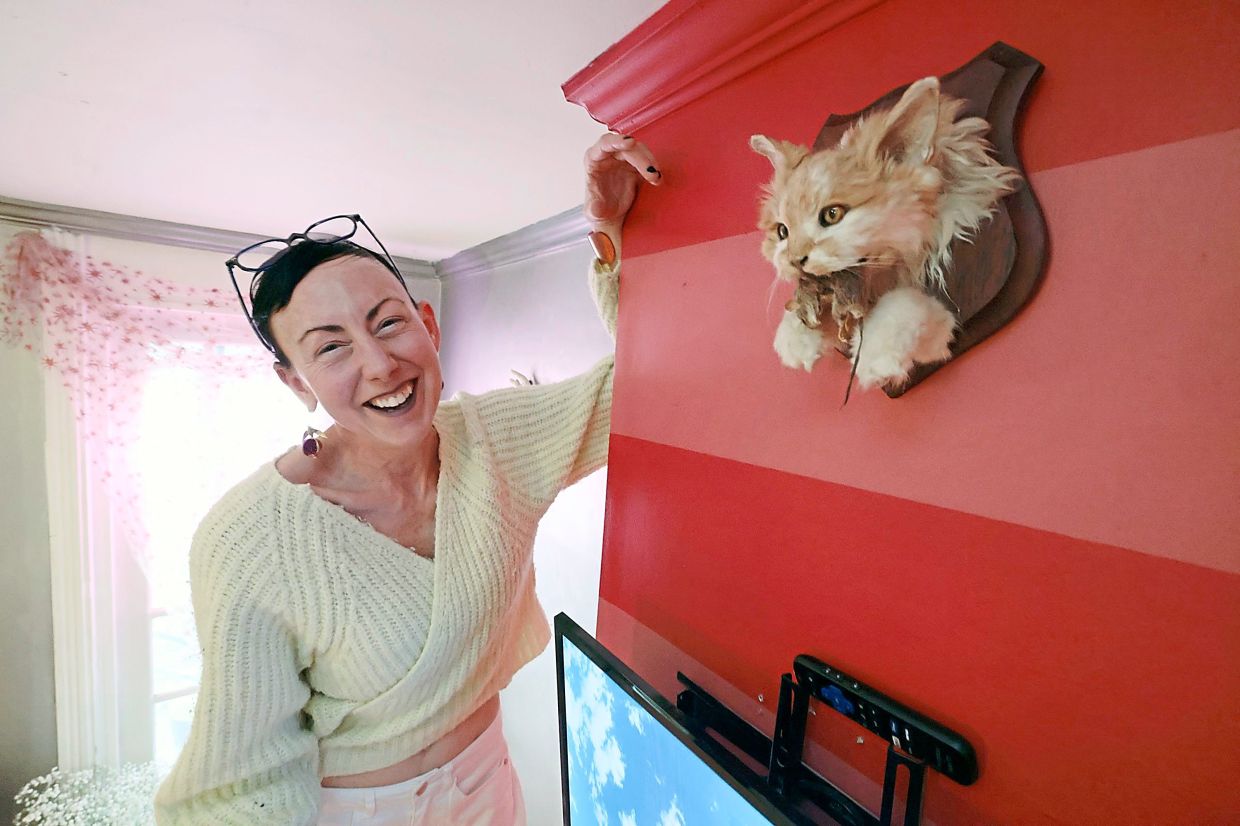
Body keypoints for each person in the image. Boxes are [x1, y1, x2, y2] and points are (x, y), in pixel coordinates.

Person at [153, 133, 660, 825]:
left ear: (428, 326)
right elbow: (243, 783)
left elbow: (647, 386)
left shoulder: (497, 441)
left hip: (488, 782)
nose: (381, 364)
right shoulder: (247, 542)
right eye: (331, 346)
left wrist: (614, 233)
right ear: (295, 382)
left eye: (388, 323)